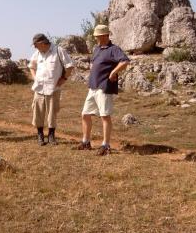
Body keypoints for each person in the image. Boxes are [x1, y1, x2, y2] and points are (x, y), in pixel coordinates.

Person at [76, 24, 130, 155]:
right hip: (93, 86)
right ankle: (86, 142)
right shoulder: (97, 49)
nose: (97, 39)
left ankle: (105, 145)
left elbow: (125, 61)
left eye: (99, 36)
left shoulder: (114, 49)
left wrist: (113, 72)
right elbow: (93, 63)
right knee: (85, 114)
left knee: (104, 116)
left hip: (104, 87)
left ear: (106, 35)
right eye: (96, 37)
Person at [28, 33, 74, 146]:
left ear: (42, 43)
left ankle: (51, 136)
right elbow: (31, 66)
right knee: (38, 113)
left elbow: (69, 66)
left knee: (52, 113)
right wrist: (35, 78)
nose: (35, 47)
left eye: (36, 45)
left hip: (53, 89)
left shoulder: (58, 50)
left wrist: (64, 78)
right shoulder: (37, 53)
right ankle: (40, 135)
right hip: (39, 89)